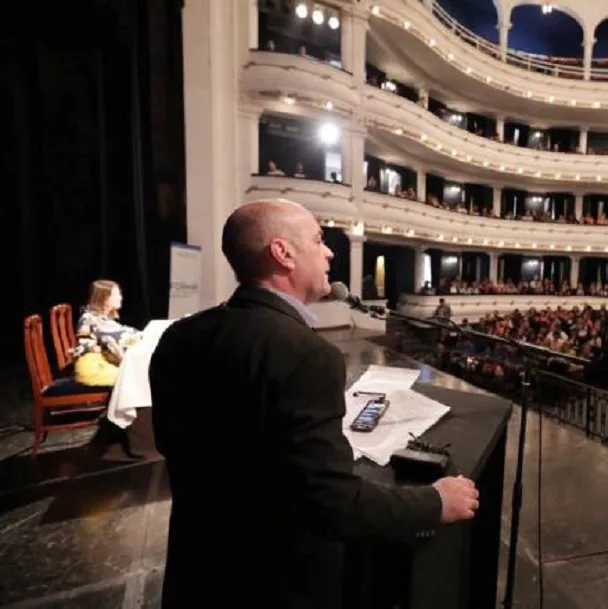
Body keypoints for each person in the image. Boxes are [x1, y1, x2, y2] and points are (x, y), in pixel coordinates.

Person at [149, 199, 479, 609]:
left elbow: (188, 448)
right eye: (319, 240)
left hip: (196, 576)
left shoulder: (177, 338)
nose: (330, 252)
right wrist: (434, 501)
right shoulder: (305, 353)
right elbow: (333, 505)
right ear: (283, 253)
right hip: (275, 584)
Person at [70, 279, 141, 386]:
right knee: (136, 378)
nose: (120, 298)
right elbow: (118, 335)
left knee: (139, 375)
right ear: (105, 298)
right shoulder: (90, 318)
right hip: (93, 370)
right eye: (116, 295)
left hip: (101, 364)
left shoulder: (100, 317)